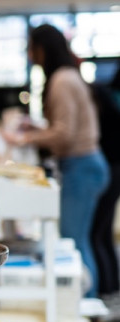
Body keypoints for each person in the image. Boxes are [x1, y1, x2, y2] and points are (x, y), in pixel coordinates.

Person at [4, 24, 109, 298]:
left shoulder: (62, 80)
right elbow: (65, 129)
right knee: (81, 239)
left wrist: (25, 139)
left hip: (81, 166)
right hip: (84, 165)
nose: (29, 55)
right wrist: (35, 129)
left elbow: (64, 134)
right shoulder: (67, 76)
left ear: (42, 49)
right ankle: (89, 304)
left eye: (31, 47)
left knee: (75, 241)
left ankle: (86, 305)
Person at [91, 63, 120, 298]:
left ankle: (106, 292)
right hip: (113, 170)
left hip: (111, 170)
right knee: (104, 233)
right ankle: (112, 290)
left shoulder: (107, 104)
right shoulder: (112, 102)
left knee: (98, 234)